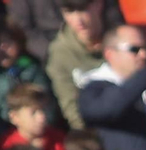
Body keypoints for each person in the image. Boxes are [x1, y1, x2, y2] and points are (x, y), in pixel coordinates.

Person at [46, 0, 108, 129]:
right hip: (93, 130)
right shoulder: (60, 52)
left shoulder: (121, 37)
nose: (78, 20)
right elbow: (70, 105)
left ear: (98, 4)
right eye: (69, 12)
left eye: (82, 10)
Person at [1, 84, 67, 150]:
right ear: (14, 117)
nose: (42, 117)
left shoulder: (57, 139)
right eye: (33, 112)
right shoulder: (8, 147)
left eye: (43, 110)